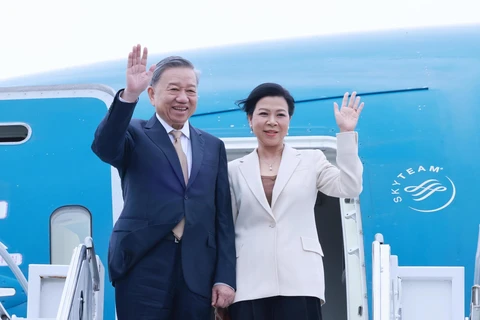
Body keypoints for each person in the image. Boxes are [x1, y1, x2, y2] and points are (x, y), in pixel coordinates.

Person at [91, 44, 236, 320]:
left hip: (197, 270)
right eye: (174, 89)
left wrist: (225, 277)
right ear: (152, 94)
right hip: (142, 264)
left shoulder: (213, 146)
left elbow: (223, 218)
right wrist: (128, 96)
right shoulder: (134, 133)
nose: (183, 97)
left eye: (190, 90)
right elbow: (104, 147)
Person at [227, 83, 364, 320]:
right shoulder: (233, 170)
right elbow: (225, 228)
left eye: (280, 114)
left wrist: (345, 133)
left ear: (289, 121)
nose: (272, 121)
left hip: (300, 280)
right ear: (250, 120)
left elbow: (349, 186)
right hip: (248, 280)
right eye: (263, 114)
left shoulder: (312, 160)